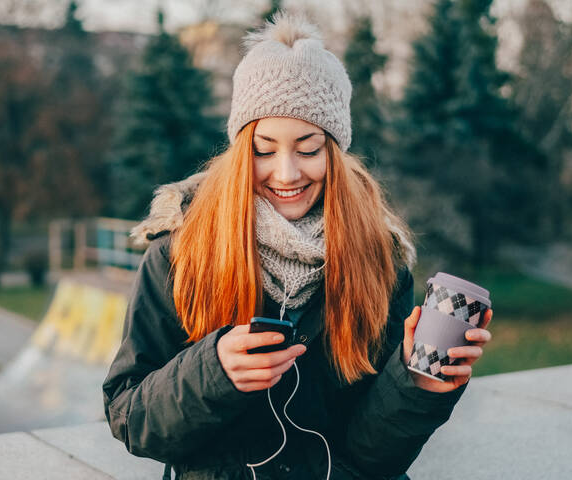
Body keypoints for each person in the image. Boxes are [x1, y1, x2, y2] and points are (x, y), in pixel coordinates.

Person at [102, 14, 494, 480]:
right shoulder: (179, 256)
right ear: (239, 150)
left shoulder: (379, 262)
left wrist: (416, 381)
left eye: (308, 149)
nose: (286, 174)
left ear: (335, 150)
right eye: (264, 150)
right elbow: (131, 419)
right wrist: (213, 373)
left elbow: (372, 456)